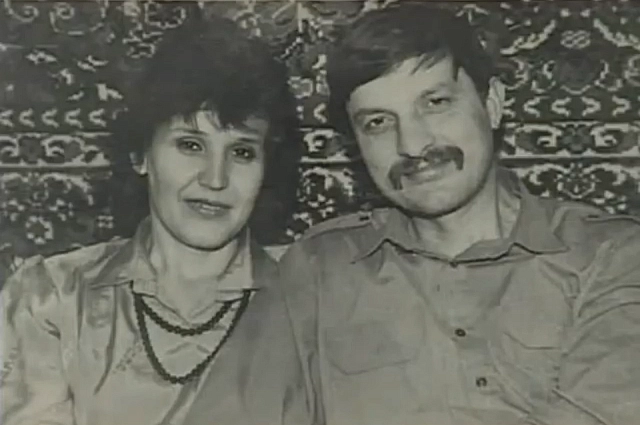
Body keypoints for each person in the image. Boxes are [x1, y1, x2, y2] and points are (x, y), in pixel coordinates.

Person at [278, 3, 640, 425]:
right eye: (377, 122)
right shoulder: (317, 269)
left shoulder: (610, 255)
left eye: (435, 103)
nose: (412, 145)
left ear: (493, 103)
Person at [0, 14, 308, 425]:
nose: (215, 178)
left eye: (242, 152)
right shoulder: (52, 298)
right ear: (140, 154)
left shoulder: (311, 303)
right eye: (190, 144)